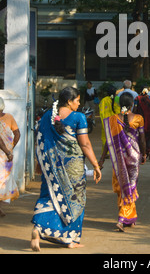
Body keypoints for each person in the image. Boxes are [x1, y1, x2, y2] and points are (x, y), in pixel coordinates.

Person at [31, 87, 101, 252]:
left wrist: (39, 163)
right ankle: (69, 238)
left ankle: (38, 228)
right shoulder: (79, 117)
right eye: (77, 100)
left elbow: (40, 141)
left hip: (51, 166)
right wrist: (96, 165)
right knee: (75, 200)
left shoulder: (48, 115)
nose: (79, 103)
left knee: (48, 195)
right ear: (69, 102)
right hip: (73, 168)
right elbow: (85, 144)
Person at [99, 92, 146, 232]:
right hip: (134, 157)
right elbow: (142, 139)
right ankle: (123, 218)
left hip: (118, 158)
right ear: (132, 104)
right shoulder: (138, 118)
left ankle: (129, 217)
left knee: (122, 186)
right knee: (130, 187)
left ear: (119, 105)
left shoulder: (112, 119)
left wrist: (102, 158)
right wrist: (144, 154)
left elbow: (108, 142)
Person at [0, 97, 20, 217]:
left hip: (7, 157)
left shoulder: (9, 117)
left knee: (4, 182)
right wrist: (9, 150)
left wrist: (10, 149)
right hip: (7, 154)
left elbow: (17, 133)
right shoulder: (9, 117)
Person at [133, 86, 150, 159]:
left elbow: (135, 108)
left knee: (141, 136)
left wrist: (133, 117)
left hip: (140, 119)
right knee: (149, 135)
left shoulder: (137, 99)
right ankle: (149, 150)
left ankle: (143, 152)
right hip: (149, 118)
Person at [99, 85, 120, 155]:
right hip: (115, 122)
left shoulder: (104, 100)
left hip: (106, 122)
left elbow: (101, 112)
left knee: (105, 138)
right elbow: (119, 111)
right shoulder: (117, 99)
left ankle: (107, 152)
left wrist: (103, 123)